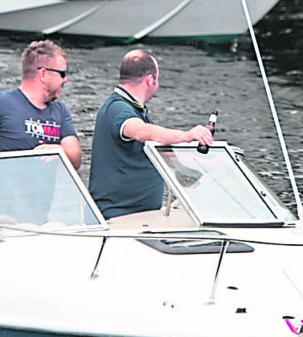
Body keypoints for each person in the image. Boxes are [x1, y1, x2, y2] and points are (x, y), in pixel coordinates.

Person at [88, 50, 215, 217]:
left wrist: (207, 166)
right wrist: (185, 135)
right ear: (150, 79)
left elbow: (158, 150)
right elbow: (140, 131)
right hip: (119, 216)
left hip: (141, 216)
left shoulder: (136, 111)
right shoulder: (118, 108)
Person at [0, 40, 82, 168]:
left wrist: (60, 151)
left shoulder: (60, 111)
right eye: (62, 74)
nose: (65, 79)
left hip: (38, 192)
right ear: (43, 74)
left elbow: (75, 158)